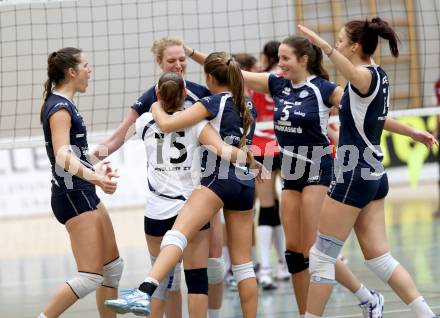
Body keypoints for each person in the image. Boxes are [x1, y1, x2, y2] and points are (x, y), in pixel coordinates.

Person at [298, 18, 438, 318]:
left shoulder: (362, 76)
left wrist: (321, 45)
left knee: (321, 256)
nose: (335, 44)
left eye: (339, 40)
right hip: (373, 170)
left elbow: (346, 69)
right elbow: (375, 119)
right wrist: (412, 132)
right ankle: (426, 315)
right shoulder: (378, 75)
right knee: (378, 258)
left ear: (355, 46)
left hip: (354, 172)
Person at [105, 52, 261, 317]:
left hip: (216, 180)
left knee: (177, 236)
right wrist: (251, 160)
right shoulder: (247, 103)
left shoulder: (208, 105)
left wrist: (153, 105)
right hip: (245, 182)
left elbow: (166, 124)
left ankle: (144, 290)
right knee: (243, 265)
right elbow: (243, 145)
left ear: (209, 77)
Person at [94, 37, 225, 318]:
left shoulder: (150, 117)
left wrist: (89, 162)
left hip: (175, 204)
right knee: (196, 276)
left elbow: (127, 135)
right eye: (171, 60)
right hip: (194, 201)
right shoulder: (188, 110)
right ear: (159, 62)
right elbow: (118, 136)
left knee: (171, 276)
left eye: (182, 59)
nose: (178, 64)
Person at [38, 47, 122, 318]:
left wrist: (125, 131)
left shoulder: (64, 103)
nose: (90, 70)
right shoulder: (59, 107)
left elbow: (76, 154)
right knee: (89, 276)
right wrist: (97, 178)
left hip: (81, 191)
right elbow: (62, 155)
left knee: (113, 268)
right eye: (86, 65)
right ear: (72, 72)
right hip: (72, 194)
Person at [251, 40, 291, 289]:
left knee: (266, 207)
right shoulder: (289, 79)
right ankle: (285, 265)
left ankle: (266, 269)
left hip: (262, 146)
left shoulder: (259, 79)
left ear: (265, 57)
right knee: (288, 205)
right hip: (286, 145)